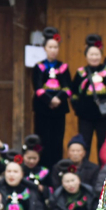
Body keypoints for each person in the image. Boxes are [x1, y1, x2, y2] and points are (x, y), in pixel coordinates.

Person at [71, 34, 106, 158]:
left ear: (101, 55)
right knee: (85, 144)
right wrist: (78, 108)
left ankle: (104, 169)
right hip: (85, 116)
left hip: (104, 115)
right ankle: (84, 168)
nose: (94, 57)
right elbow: (74, 94)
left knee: (104, 145)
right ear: (86, 56)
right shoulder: (81, 72)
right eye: (91, 54)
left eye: (97, 54)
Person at [32, 27, 72, 168]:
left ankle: (56, 169)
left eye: (55, 47)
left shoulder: (63, 67)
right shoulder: (39, 66)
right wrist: (50, 100)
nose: (53, 50)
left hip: (59, 109)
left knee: (57, 140)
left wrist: (58, 99)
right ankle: (42, 169)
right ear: (45, 48)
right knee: (42, 140)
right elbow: (38, 87)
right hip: (43, 109)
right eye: (50, 47)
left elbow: (68, 87)